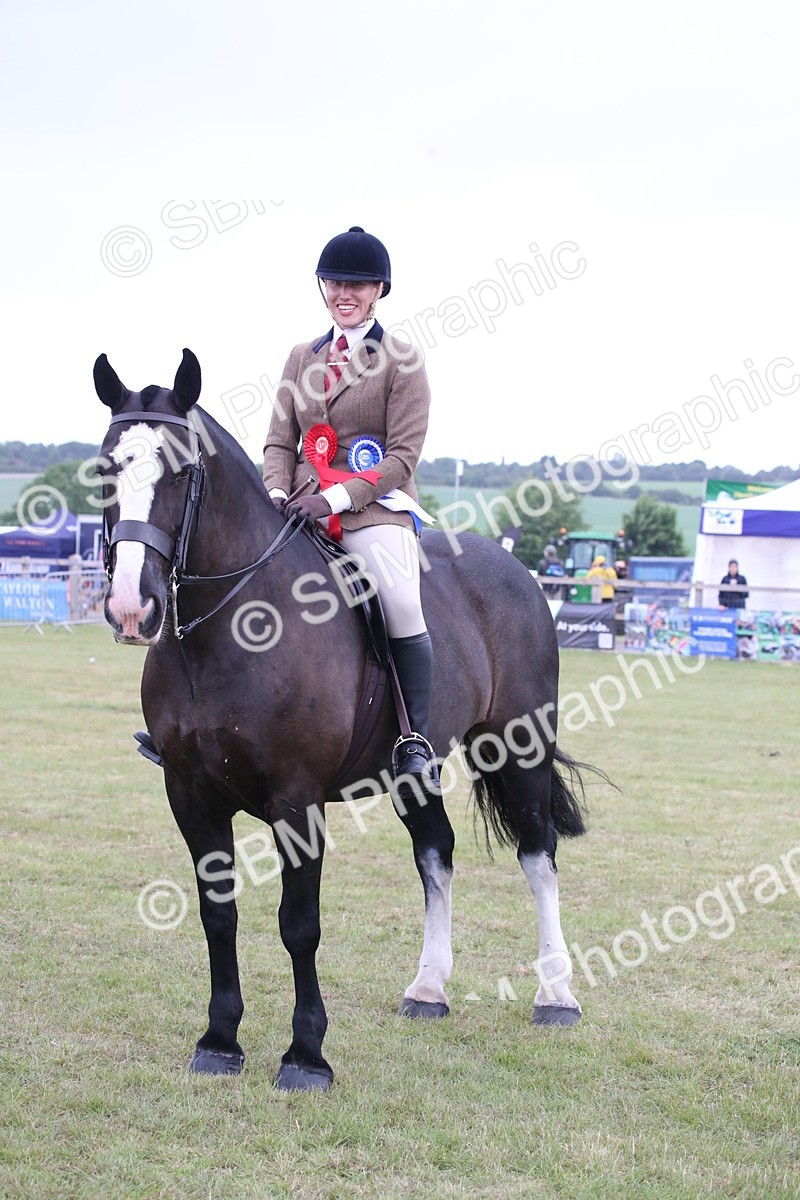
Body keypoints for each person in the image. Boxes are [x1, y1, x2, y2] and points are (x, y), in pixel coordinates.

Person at [262, 225, 437, 786]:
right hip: (295, 508)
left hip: (373, 509)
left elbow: (402, 457)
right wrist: (275, 492)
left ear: (379, 289)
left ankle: (414, 741)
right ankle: (197, 720)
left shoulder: (401, 360)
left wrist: (336, 496)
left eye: (358, 285)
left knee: (402, 602)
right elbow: (278, 440)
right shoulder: (299, 357)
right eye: (336, 282)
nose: (346, 293)